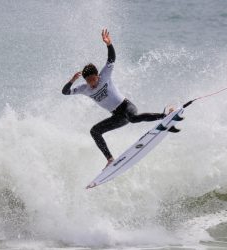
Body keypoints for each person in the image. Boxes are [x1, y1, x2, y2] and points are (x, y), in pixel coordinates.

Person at [62, 29, 171, 168]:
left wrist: (109, 44)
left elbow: (111, 59)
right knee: (94, 131)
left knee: (132, 118)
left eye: (94, 79)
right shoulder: (84, 89)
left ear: (98, 75)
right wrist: (71, 81)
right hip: (117, 117)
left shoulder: (104, 76)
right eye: (89, 81)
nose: (92, 83)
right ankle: (110, 159)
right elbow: (65, 92)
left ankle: (165, 116)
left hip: (127, 107)